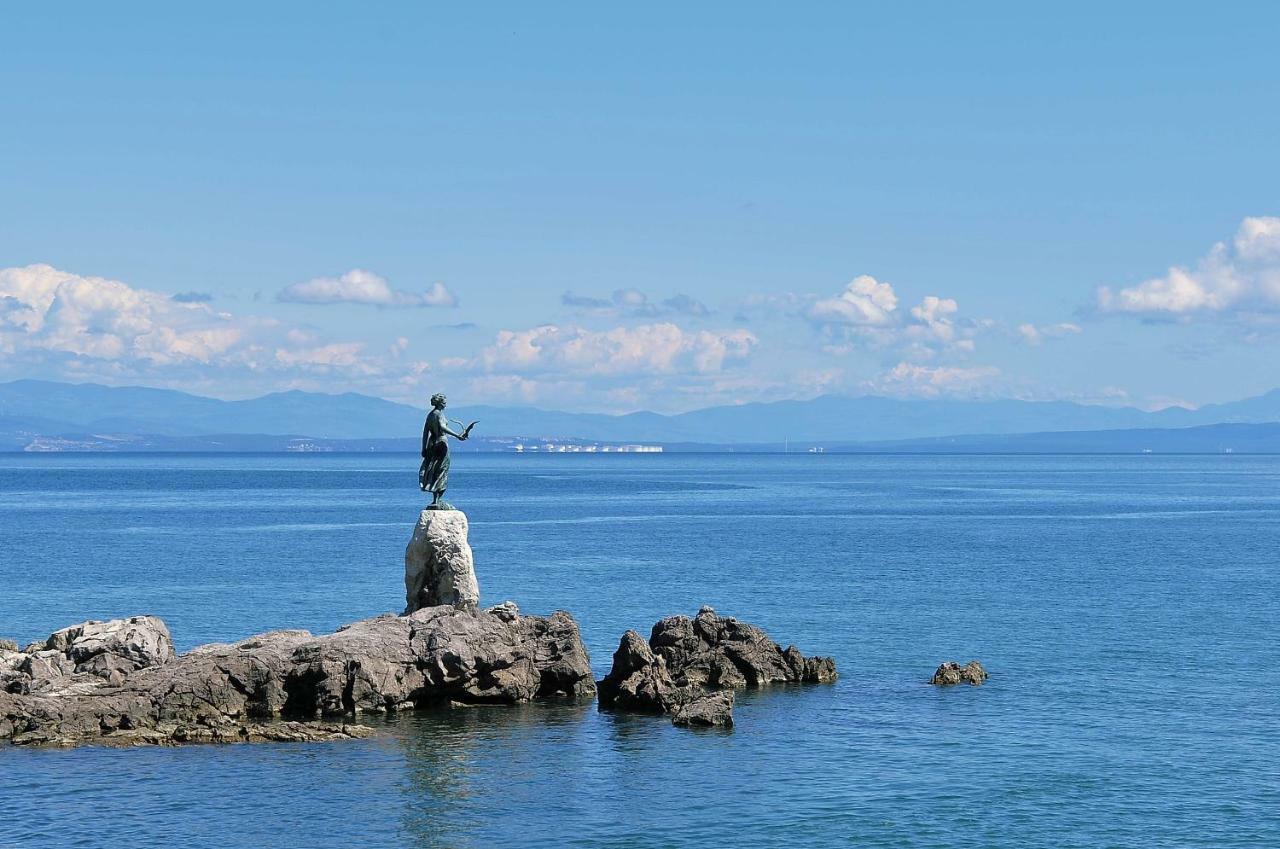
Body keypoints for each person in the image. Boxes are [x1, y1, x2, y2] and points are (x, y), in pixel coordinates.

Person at [419, 393, 475, 508]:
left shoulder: (430, 415)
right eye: (444, 401)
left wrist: (423, 447)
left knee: (434, 469)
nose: (445, 403)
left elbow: (425, 433)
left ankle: (435, 500)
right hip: (442, 443)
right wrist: (457, 435)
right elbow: (442, 427)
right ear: (439, 403)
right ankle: (437, 500)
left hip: (432, 443)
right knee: (442, 470)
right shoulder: (439, 414)